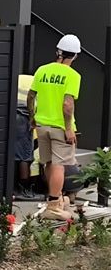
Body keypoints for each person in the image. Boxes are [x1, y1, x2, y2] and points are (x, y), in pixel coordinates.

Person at [27, 34, 82, 221]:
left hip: (41, 124)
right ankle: (53, 207)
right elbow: (68, 104)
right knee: (59, 165)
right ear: (74, 56)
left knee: (49, 163)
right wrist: (68, 128)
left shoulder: (42, 70)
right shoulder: (73, 75)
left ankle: (55, 199)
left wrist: (32, 118)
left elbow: (31, 96)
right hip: (60, 127)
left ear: (58, 51)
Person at [15, 74, 44, 201]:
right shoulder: (41, 83)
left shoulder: (22, 78)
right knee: (25, 154)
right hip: (24, 115)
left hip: (11, 112)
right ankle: (24, 190)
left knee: (15, 150)